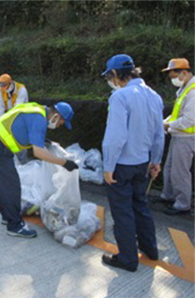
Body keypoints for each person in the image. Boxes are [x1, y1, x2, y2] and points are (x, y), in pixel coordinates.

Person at [101, 54, 164, 272]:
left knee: (123, 211)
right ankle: (151, 249)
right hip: (143, 163)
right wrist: (156, 161)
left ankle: (127, 259)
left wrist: (108, 167)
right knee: (141, 205)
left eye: (110, 76)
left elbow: (115, 137)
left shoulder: (120, 97)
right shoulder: (154, 96)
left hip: (122, 165)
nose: (111, 80)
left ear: (116, 74)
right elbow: (159, 134)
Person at [0, 101, 79, 238]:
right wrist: (63, 163)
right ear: (56, 116)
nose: (58, 126)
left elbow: (25, 127)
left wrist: (41, 140)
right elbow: (38, 153)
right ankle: (14, 226)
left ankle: (7, 216)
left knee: (5, 183)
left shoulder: (38, 111)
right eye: (60, 123)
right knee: (11, 185)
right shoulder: (39, 119)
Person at [159, 58, 195, 215]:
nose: (173, 80)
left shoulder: (193, 91)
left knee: (180, 171)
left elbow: (189, 120)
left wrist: (168, 126)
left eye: (174, 76)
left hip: (187, 138)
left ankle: (182, 204)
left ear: (184, 73)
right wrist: (163, 122)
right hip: (178, 136)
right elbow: (176, 114)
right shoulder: (184, 90)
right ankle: (168, 196)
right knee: (169, 168)